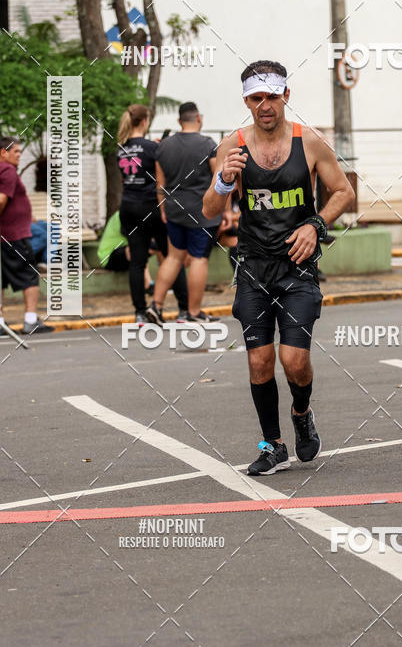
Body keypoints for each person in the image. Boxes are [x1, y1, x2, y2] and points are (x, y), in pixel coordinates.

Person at [202, 60, 354, 475]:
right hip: (253, 267)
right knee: (258, 362)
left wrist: (316, 223)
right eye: (256, 98)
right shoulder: (231, 146)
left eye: (271, 96)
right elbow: (210, 210)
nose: (264, 105)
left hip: (298, 268)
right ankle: (273, 445)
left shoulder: (311, 143)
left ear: (286, 95)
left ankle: (302, 413)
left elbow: (343, 191)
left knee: (295, 362)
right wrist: (222, 182)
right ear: (246, 101)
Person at [147, 102, 222, 325]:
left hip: (173, 210)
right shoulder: (208, 144)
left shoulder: (164, 146)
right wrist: (223, 209)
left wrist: (163, 208)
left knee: (174, 256)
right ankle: (193, 312)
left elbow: (159, 183)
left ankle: (156, 306)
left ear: (179, 120)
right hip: (202, 212)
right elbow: (219, 179)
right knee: (199, 258)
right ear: (198, 118)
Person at [117, 104, 186, 325]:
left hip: (128, 205)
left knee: (137, 262)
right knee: (173, 257)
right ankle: (184, 308)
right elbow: (161, 180)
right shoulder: (152, 147)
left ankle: (139, 312)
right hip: (151, 206)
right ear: (145, 121)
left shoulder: (121, 148)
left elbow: (122, 179)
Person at [0, 137, 54, 336]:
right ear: (3, 152)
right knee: (30, 274)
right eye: (15, 152)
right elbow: (1, 200)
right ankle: (30, 320)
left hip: (2, 236)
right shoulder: (7, 170)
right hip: (14, 236)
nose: (19, 155)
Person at [97, 210, 188, 316]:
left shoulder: (134, 210)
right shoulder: (123, 214)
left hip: (126, 253)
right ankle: (149, 286)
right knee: (139, 249)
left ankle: (165, 281)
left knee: (151, 248)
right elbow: (135, 239)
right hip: (109, 257)